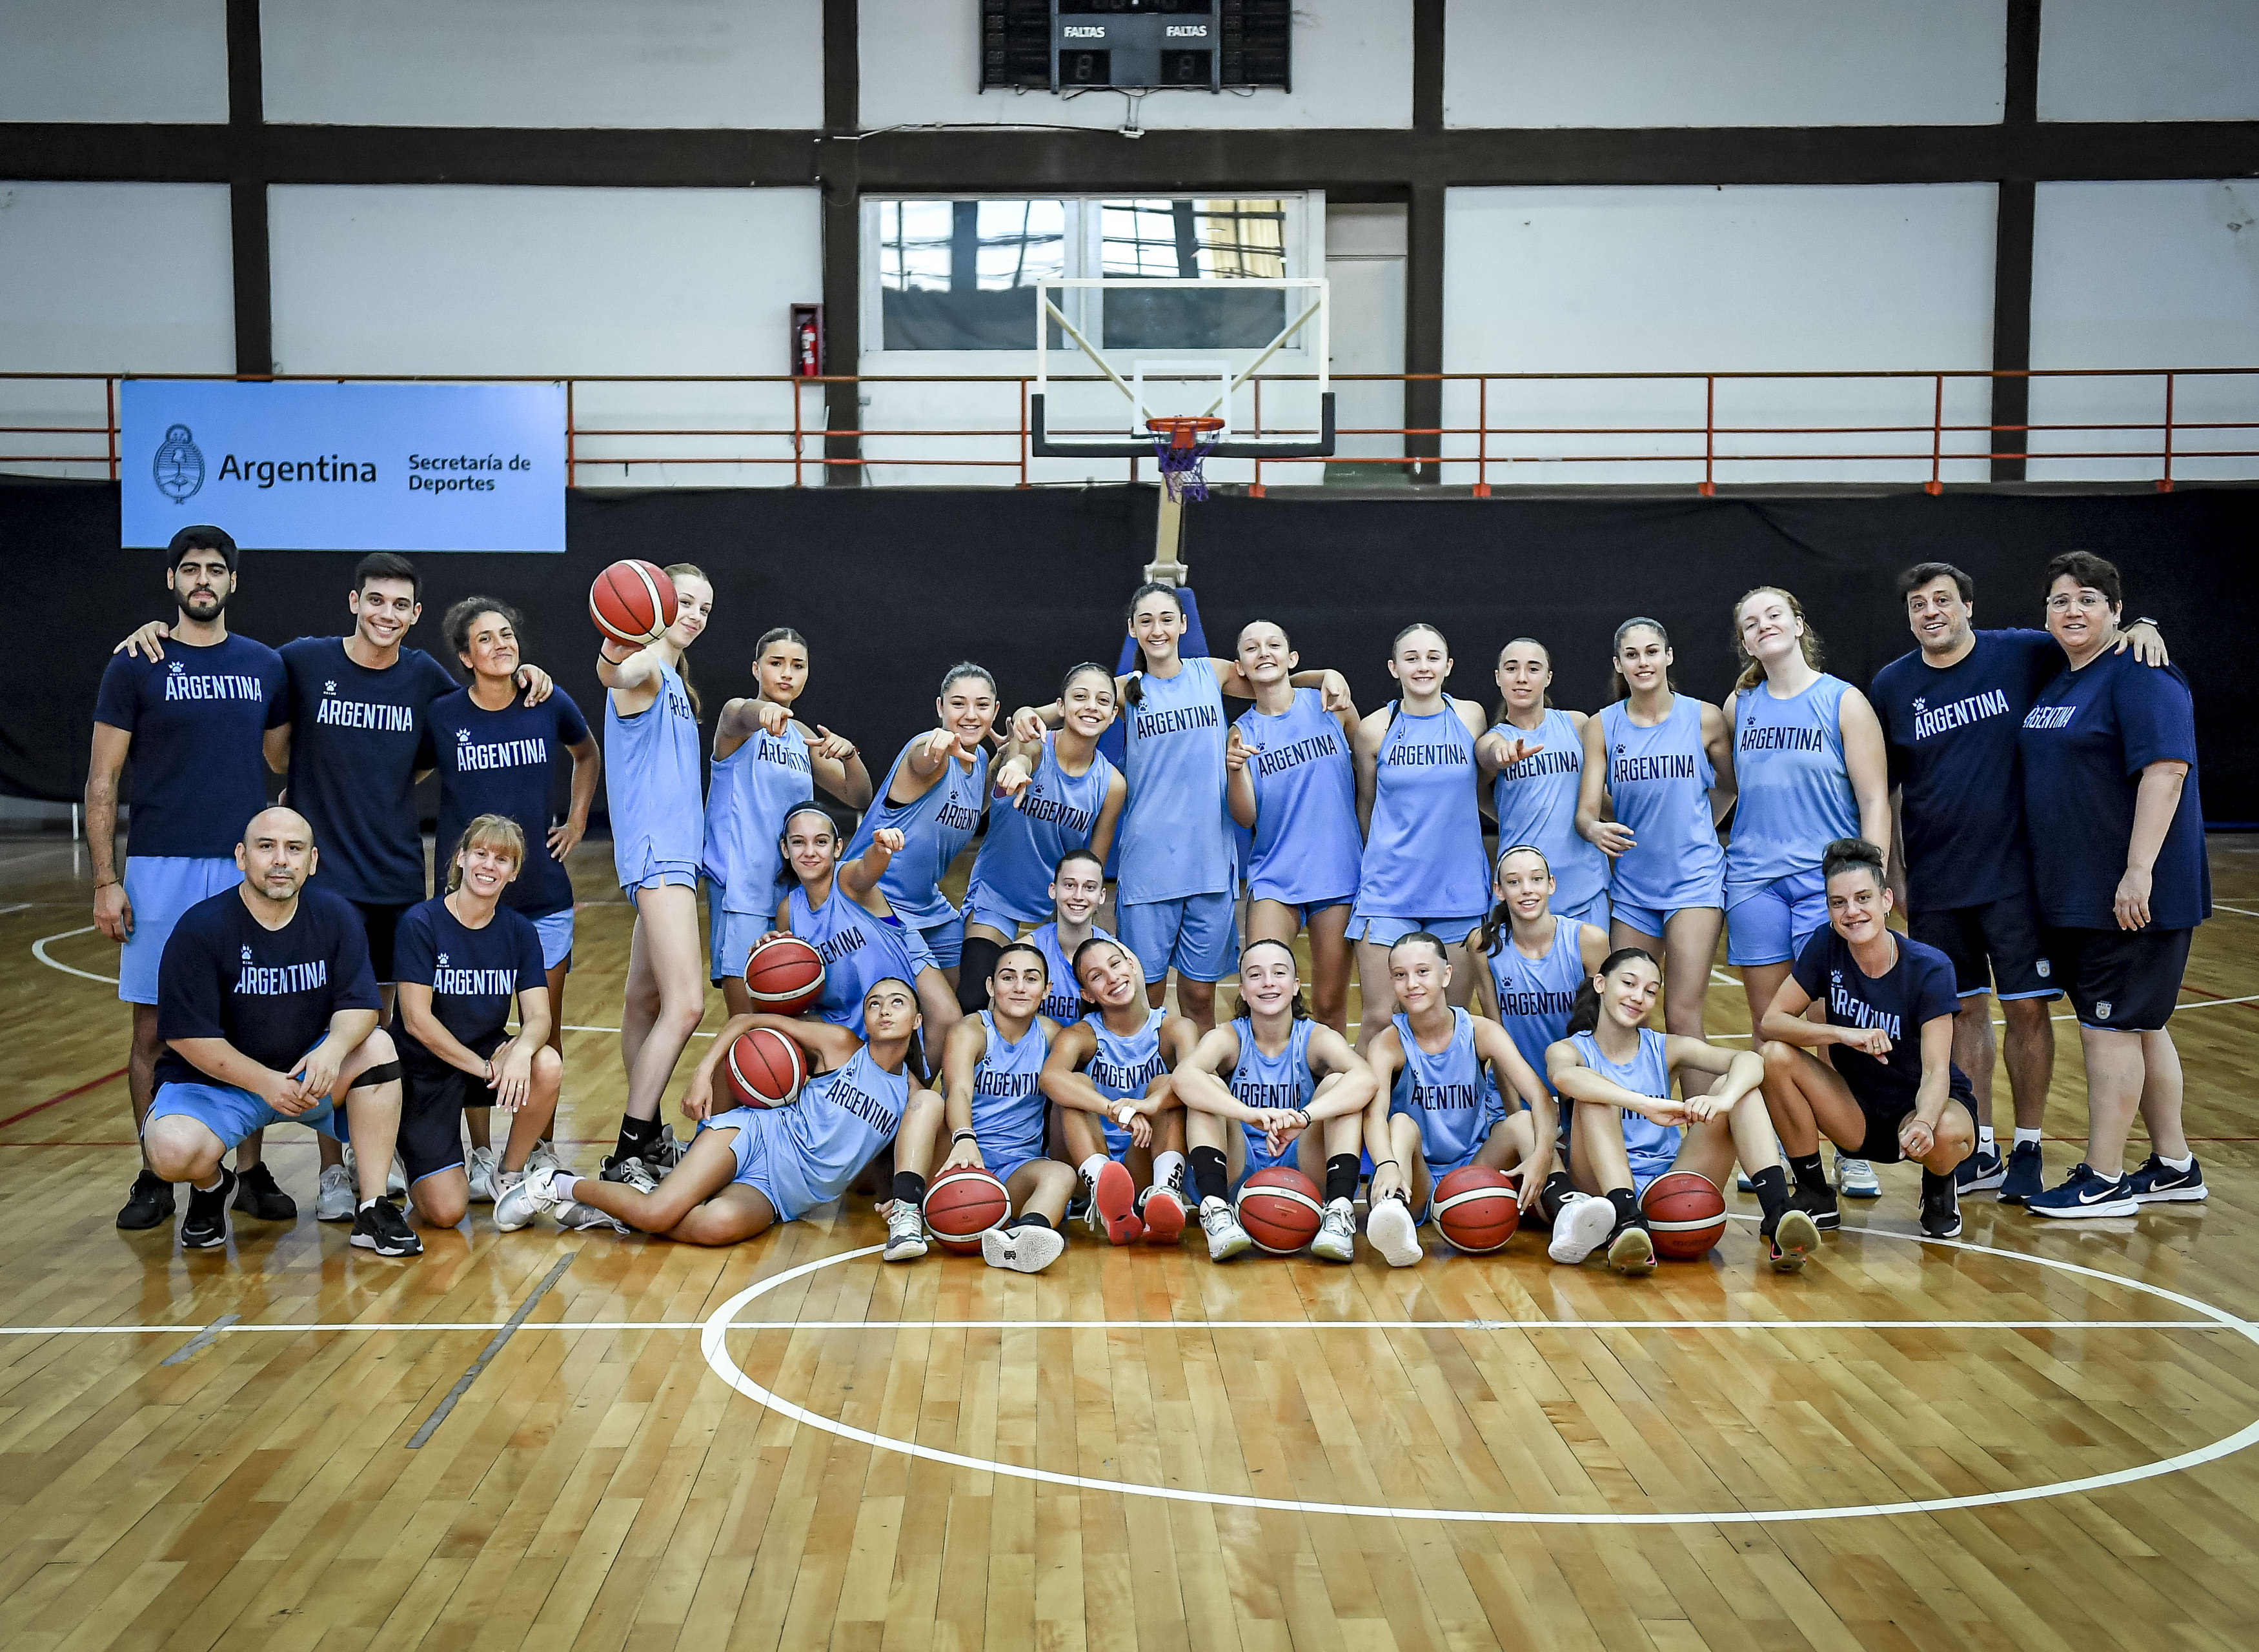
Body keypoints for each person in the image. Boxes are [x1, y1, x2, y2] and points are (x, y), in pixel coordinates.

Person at [120, 552, 560, 1219]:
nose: (386, 614)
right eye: (374, 600)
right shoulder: (301, 660)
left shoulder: (423, 677)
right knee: (282, 1012)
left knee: (374, 1025)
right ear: (353, 603)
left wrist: (520, 670)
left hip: (389, 872)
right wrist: (154, 633)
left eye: (400, 605)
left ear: (414, 616)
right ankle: (317, 1173)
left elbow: (480, 695)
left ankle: (363, 1158)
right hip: (316, 876)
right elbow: (244, 692)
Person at [1871, 562, 2167, 1202]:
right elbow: (1885, 787)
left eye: (1941, 600)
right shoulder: (1892, 685)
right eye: (1917, 604)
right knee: (1961, 1011)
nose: (1929, 612)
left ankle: (2028, 1144)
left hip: (2014, 876)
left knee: (2026, 1007)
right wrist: (1892, 870)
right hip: (1935, 879)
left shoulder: (2020, 653)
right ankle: (1980, 1146)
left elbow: (2089, 636)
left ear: (1967, 606)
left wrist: (2141, 625)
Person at [1010, 582, 1348, 1038]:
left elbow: (1270, 674)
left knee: (1200, 998)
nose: (1157, 629)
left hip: (1210, 864)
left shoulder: (1210, 672)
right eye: (1145, 621)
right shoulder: (1127, 690)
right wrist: (1032, 713)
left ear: (1183, 624)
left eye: (1167, 619)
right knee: (1142, 998)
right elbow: (1074, 701)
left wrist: (1327, 674)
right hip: (1150, 866)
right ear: (1132, 629)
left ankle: (1198, 1099)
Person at [89, 527, 289, 1231]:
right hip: (158, 869)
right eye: (190, 569)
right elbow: (103, 776)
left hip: (240, 868)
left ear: (233, 582)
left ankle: (246, 1168)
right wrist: (106, 878)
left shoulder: (266, 665)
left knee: (249, 1024)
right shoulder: (135, 664)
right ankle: (154, 1171)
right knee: (153, 1029)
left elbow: (286, 758)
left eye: (215, 569)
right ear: (171, 579)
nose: (202, 579)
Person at [2016, 551, 2210, 1218]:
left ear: (2116, 612)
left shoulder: (2139, 673)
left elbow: (2165, 771)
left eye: (2088, 599)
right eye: (2060, 600)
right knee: (2140, 1026)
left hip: (2129, 898)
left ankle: (2101, 1178)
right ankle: (2174, 1165)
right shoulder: (2061, 680)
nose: (2073, 610)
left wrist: (2137, 870)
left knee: (2109, 1032)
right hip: (2077, 895)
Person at [139, 807, 420, 1257]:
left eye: (294, 849)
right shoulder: (200, 928)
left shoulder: (336, 916)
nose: (280, 860)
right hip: (220, 1086)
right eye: (266, 847)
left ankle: (372, 1207)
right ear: (241, 857)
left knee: (378, 1047)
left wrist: (332, 1051)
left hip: (307, 1073)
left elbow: (362, 1005)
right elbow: (187, 1036)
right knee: (170, 1152)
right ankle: (212, 1187)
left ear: (312, 861)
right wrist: (264, 1082)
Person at [518, 980, 939, 1244]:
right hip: (754, 1135)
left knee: (713, 1228)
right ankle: (556, 1185)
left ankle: (620, 1210)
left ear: (917, 1019)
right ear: (864, 1017)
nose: (884, 1010)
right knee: (658, 1213)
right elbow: (744, 1023)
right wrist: (703, 1072)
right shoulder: (842, 1045)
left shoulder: (913, 1098)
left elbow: (908, 1165)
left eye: (897, 1002)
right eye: (875, 1003)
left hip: (781, 1194)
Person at [1721, 586, 1892, 1199]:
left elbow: (1874, 799)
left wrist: (1869, 884)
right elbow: (1728, 789)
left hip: (1826, 887)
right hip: (1753, 881)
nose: (1763, 626)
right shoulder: (1740, 707)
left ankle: (1852, 1147)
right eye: (1751, 621)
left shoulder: (1844, 701)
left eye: (1774, 615)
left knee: (1826, 1022)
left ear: (1798, 623)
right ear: (1744, 640)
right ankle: (1774, 1149)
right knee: (1771, 1029)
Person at [426, 598, 599, 1200]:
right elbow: (401, 772)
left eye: (508, 634)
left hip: (542, 899)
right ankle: (476, 1154)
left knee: (540, 1030)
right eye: (486, 639)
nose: (501, 644)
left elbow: (586, 753)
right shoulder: (443, 716)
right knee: (466, 1027)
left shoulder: (546, 700)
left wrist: (577, 820)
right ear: (465, 657)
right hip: (465, 903)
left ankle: (538, 1149)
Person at [1546, 947, 1818, 1276]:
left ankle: (1778, 1214)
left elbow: (1752, 1060)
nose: (1638, 998)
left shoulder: (1665, 1047)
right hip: (1600, 1188)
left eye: (1650, 992)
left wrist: (1725, 1100)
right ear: (1601, 984)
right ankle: (1625, 1222)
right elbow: (1565, 1077)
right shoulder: (1569, 1049)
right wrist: (1643, 1104)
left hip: (1668, 1185)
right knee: (1595, 1096)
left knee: (1741, 1089)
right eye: (1629, 984)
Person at [1758, 839, 1978, 1240]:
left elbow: (1935, 1071)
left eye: (1863, 898)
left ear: (1886, 900)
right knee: (1772, 1057)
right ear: (1829, 910)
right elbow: (1772, 1022)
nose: (1852, 912)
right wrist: (1843, 1034)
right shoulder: (1826, 945)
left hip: (1922, 1106)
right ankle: (1813, 1191)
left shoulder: (1929, 967)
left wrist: (1926, 1123)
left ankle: (1939, 1185)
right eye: (1838, 902)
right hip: (1855, 1110)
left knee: (1944, 1133)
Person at [1350, 625, 1536, 1049]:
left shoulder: (1469, 716)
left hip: (1458, 892)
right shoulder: (1373, 729)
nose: (1423, 666)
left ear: (1448, 666)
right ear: (1394, 667)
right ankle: (1369, 1116)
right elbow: (1367, 805)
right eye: (1411, 658)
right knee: (1380, 1018)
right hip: (1389, 892)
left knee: (1447, 1021)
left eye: (1433, 657)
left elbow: (1485, 768)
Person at [387, 814, 569, 1234]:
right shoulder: (422, 923)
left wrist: (521, 1051)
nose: (490, 865)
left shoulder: (519, 931)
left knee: (547, 1065)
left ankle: (507, 1175)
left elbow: (539, 1017)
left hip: (484, 1059)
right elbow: (416, 1020)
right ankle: (406, 1148)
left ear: (514, 871)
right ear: (461, 859)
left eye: (502, 859)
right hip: (424, 1073)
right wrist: (486, 1068)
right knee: (448, 1213)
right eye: (482, 854)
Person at [596, 561, 714, 1184]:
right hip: (658, 858)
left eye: (703, 609)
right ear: (660, 602)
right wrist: (614, 654)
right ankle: (628, 1149)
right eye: (685, 601)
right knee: (687, 1005)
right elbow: (618, 672)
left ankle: (646, 1138)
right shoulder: (644, 674)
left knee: (643, 1001)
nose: (694, 615)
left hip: (672, 860)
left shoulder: (673, 680)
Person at [1170, 939, 1377, 1262]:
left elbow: (1366, 1079)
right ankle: (1216, 1213)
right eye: (1255, 975)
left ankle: (1338, 1212)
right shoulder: (1229, 1037)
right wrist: (1247, 1113)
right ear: (1242, 989)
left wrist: (1304, 1117)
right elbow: (1183, 1078)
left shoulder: (1314, 1037)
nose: (1268, 982)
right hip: (1237, 1167)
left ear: (1295, 986)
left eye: (1278, 973)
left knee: (1340, 1084)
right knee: (1205, 1084)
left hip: (1301, 1167)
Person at [1576, 618, 1732, 1045]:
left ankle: (1704, 1115)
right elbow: (1587, 811)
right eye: (1631, 654)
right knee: (1628, 1017)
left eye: (1650, 652)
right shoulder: (1602, 726)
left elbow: (1729, 787)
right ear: (1618, 664)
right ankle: (1639, 1112)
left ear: (1668, 656)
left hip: (1694, 882)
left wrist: (1698, 824)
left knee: (1682, 1014)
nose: (1642, 662)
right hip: (1633, 888)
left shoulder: (1705, 719)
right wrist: (1593, 830)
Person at [1362, 932, 1558, 1269]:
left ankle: (1565, 1205)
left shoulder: (1480, 1031)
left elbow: (1540, 1098)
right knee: (1400, 1122)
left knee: (1523, 1122)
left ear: (1447, 975)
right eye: (1400, 975)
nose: (1412, 984)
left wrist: (1542, 1156)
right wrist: (1387, 1164)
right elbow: (1374, 1115)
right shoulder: (1387, 1043)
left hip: (1474, 1170)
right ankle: (1393, 1215)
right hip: (1417, 1177)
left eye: (1423, 972)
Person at [705, 626, 872, 1011]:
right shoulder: (738, 720)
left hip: (795, 895)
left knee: (791, 1015)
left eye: (797, 666)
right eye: (775, 663)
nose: (786, 674)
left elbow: (859, 794)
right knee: (745, 1023)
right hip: (742, 890)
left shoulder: (800, 735)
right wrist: (761, 711)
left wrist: (850, 757)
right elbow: (740, 714)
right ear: (755, 668)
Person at [886, 943, 1079, 1271]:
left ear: (1046, 990)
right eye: (1008, 977)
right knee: (927, 1100)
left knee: (1061, 1174)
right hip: (955, 1158)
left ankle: (1023, 1239)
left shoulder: (1053, 1036)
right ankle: (906, 1213)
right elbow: (959, 1089)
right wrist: (965, 1138)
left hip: (1013, 1170)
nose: (1019, 987)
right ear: (991, 986)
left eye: (1031, 979)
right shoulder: (970, 1030)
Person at [843, 664, 1002, 1028]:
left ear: (995, 711)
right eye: (958, 704)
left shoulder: (978, 764)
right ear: (940, 708)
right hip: (874, 898)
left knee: (971, 999)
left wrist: (1016, 753)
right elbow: (923, 756)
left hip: (925, 903)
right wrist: (934, 747)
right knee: (944, 1018)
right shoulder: (929, 753)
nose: (970, 714)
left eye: (981, 705)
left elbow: (984, 796)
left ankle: (925, 1082)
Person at [1225, 621, 1362, 1034]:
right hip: (1275, 875)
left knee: (1329, 1004)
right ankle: (1262, 1091)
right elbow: (1245, 817)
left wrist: (1328, 676)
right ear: (1241, 667)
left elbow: (1368, 762)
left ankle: (1334, 1097)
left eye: (1273, 645)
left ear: (1292, 659)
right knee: (1263, 996)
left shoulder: (1328, 704)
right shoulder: (1241, 732)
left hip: (1337, 872)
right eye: (1252, 648)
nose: (1263, 652)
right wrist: (1234, 771)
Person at [963, 662, 1124, 1007]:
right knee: (975, 998)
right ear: (1061, 707)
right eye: (1080, 697)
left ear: (1113, 715)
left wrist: (1075, 922)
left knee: (1076, 1006)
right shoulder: (1035, 747)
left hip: (1058, 910)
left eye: (1102, 701)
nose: (1091, 706)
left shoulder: (1111, 784)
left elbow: (1092, 866)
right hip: (997, 900)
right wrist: (1016, 765)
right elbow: (1026, 753)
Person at [1470, 842, 1611, 1206]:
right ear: (1499, 892)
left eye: (1535, 879)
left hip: (1576, 1091)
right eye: (1514, 882)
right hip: (1518, 1095)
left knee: (1588, 1174)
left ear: (1551, 884)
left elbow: (1605, 1034)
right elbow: (1495, 1040)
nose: (1526, 890)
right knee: (1529, 1145)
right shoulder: (1484, 947)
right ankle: (1567, 1211)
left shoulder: (1588, 941)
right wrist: (1521, 1115)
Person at [1040, 935, 1195, 1245]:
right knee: (1075, 1085)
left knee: (1169, 1084)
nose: (1112, 978)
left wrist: (1148, 1105)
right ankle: (1103, 1190)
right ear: (1088, 994)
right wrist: (1116, 1110)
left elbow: (1198, 1084)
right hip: (1084, 1162)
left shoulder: (1175, 1029)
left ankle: (1164, 1195)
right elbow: (1050, 1078)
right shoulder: (1081, 1035)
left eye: (1115, 965)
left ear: (1133, 967)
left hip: (1142, 1159)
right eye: (1097, 976)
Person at [775, 806, 958, 1051]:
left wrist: (881, 849)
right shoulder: (788, 911)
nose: (810, 852)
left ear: (837, 847)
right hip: (839, 1014)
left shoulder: (846, 880)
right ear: (785, 849)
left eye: (821, 842)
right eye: (798, 842)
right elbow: (786, 981)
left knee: (947, 1017)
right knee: (774, 1041)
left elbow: (867, 869)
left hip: (892, 986)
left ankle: (913, 1086)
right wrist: (767, 953)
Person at [1481, 637, 1610, 930]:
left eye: (1533, 668)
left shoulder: (1577, 725)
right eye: (1512, 669)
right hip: (1522, 890)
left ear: (1549, 677)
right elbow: (1484, 761)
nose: (1522, 678)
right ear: (1498, 678)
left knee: (1592, 976)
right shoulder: (1494, 738)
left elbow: (1597, 799)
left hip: (1584, 888)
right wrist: (1499, 756)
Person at [1028, 849, 1115, 1027]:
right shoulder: (1028, 951)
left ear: (1102, 896)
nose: (1078, 896)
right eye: (1069, 885)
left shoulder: (1117, 957)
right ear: (1053, 890)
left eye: (1089, 887)